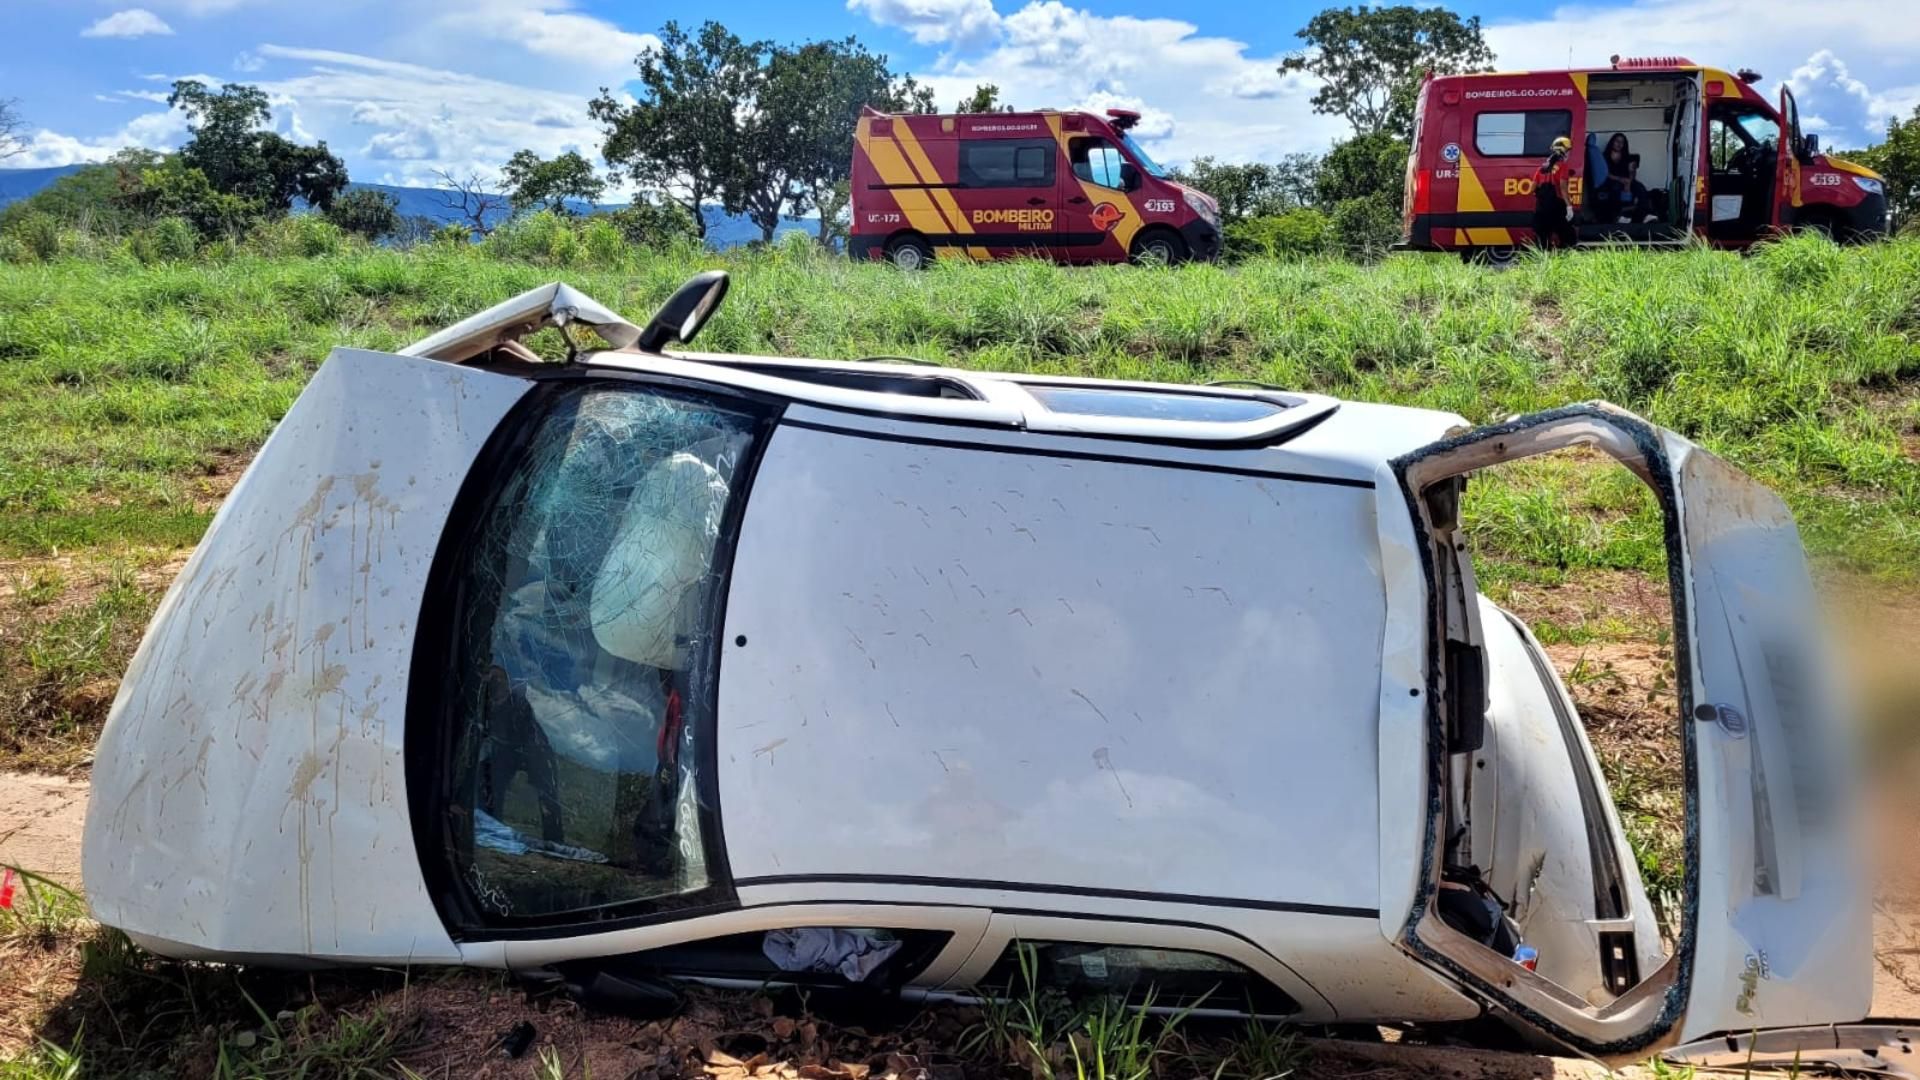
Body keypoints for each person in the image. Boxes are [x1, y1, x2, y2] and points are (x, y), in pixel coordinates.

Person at [1532, 135, 1577, 250]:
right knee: (1568, 239)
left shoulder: (1541, 168)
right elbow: (1563, 187)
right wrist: (1569, 206)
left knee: (1542, 242)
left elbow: (1532, 189)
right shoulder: (1563, 166)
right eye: (1568, 151)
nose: (1568, 154)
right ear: (1563, 151)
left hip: (1541, 209)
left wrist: (1541, 195)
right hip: (1557, 207)